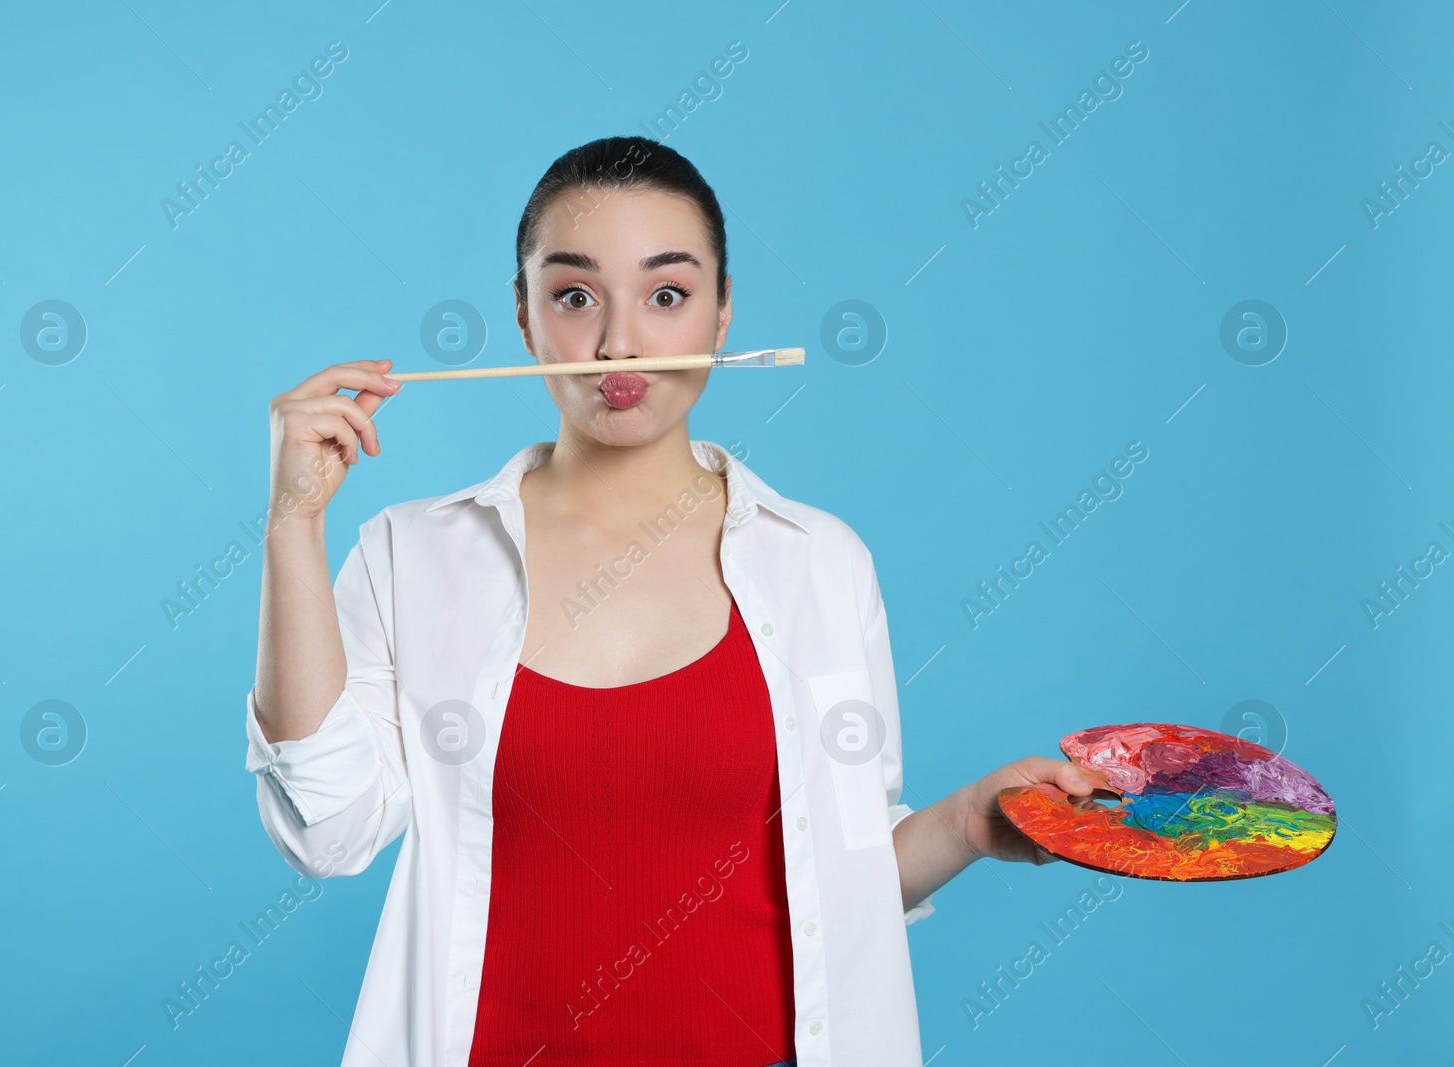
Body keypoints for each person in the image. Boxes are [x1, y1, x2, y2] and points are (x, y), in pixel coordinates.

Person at [246, 135, 1097, 1067]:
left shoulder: (822, 563)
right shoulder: (409, 555)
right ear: (524, 318)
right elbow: (325, 833)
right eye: (574, 296)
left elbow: (833, 883)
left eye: (666, 294)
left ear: (723, 314)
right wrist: (292, 525)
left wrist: (967, 822)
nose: (618, 341)